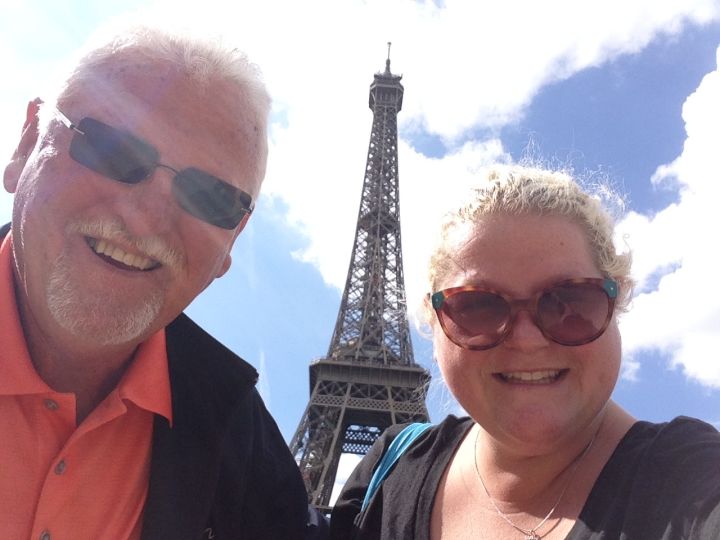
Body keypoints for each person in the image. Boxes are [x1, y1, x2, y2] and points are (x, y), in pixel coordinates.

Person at [0, 22, 314, 539]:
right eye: (112, 150)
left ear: (233, 240)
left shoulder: (252, 465)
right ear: (27, 143)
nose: (146, 219)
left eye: (210, 198)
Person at [331, 165, 720, 539]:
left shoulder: (695, 480)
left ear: (615, 304)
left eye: (570, 300)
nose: (527, 340)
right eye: (477, 306)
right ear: (434, 325)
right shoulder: (387, 470)